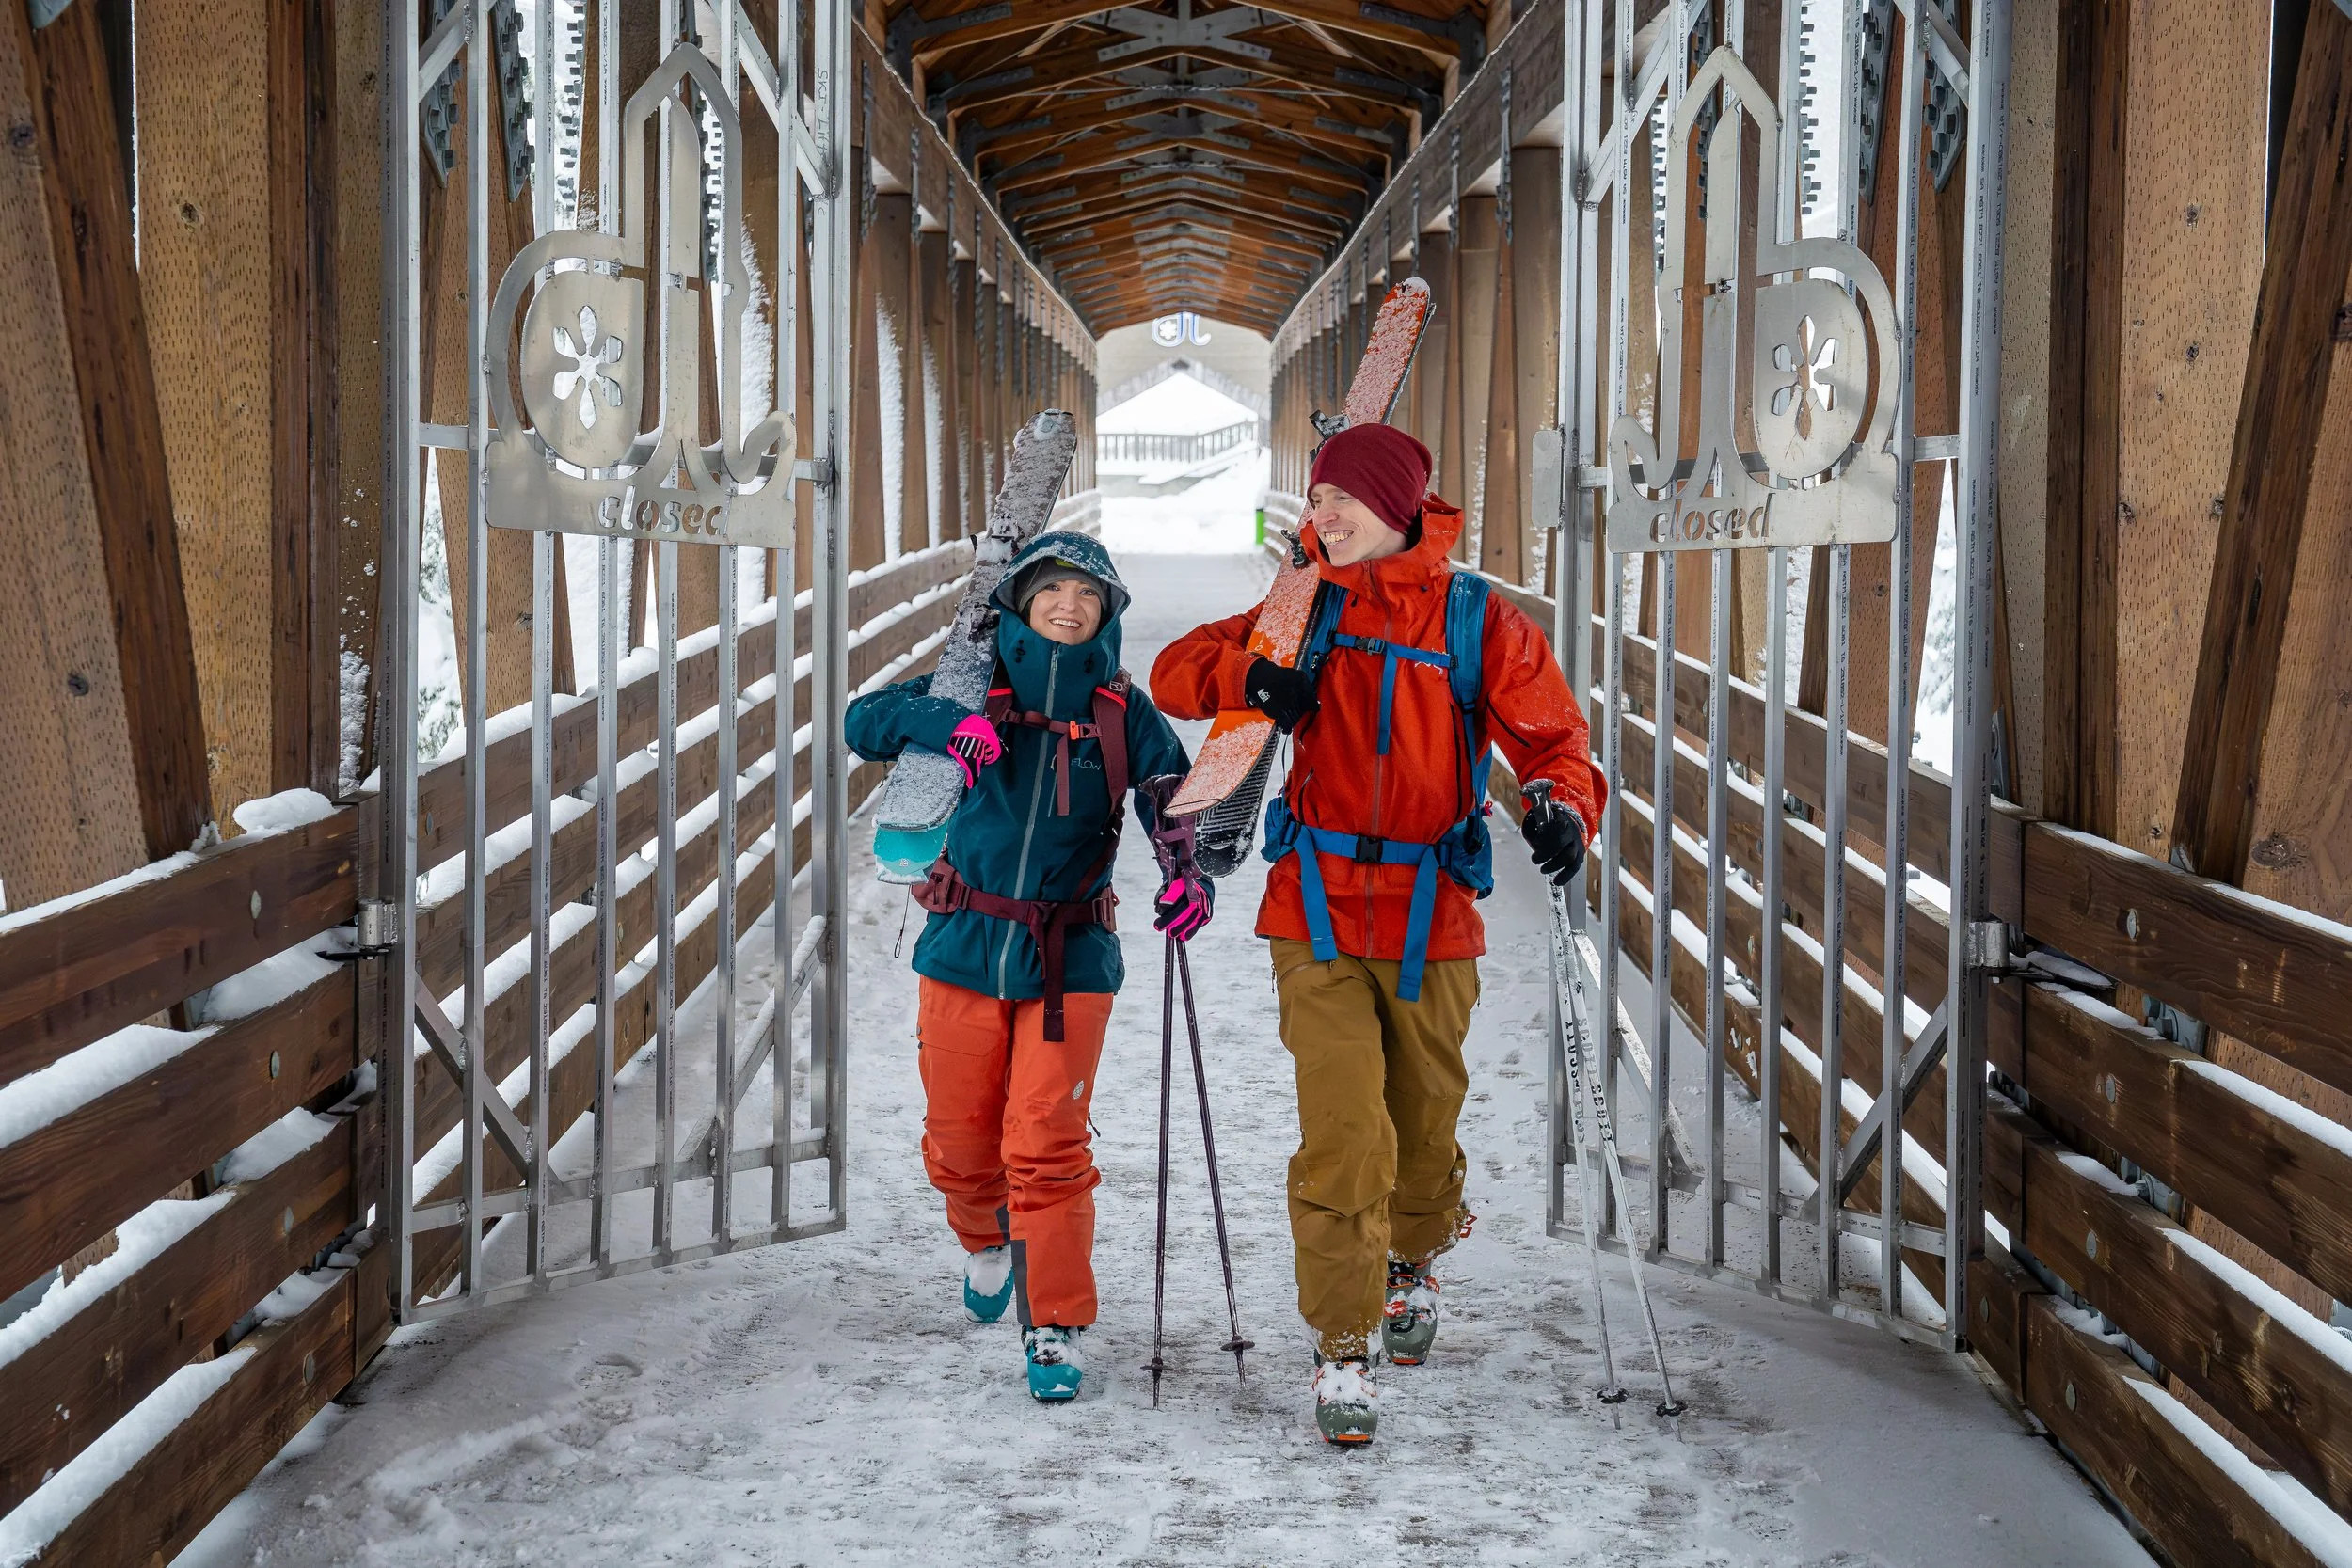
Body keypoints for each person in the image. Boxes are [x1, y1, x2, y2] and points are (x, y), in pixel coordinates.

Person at [1150, 423, 1604, 1445]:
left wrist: (1560, 805)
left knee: (1424, 1121)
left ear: (1400, 508)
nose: (1326, 516)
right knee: (1345, 1131)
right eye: (1317, 501)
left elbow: (1553, 737)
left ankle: (1414, 1256)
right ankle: (1342, 1343)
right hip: (1311, 903)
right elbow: (1176, 672)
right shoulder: (1299, 606)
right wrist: (1252, 680)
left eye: (1344, 500)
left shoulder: (1478, 618)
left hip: (1432, 907)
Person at [847, 532, 1208, 1403]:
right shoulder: (975, 689)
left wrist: (1187, 871)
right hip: (963, 942)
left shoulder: (1123, 712)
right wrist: (948, 722)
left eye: (1089, 596)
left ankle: (1055, 1323)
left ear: (1107, 614)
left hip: (1070, 954)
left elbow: (1176, 800)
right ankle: (983, 1237)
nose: (1070, 606)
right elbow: (864, 721)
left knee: (1044, 1143)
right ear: (1020, 600)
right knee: (961, 1144)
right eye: (1054, 590)